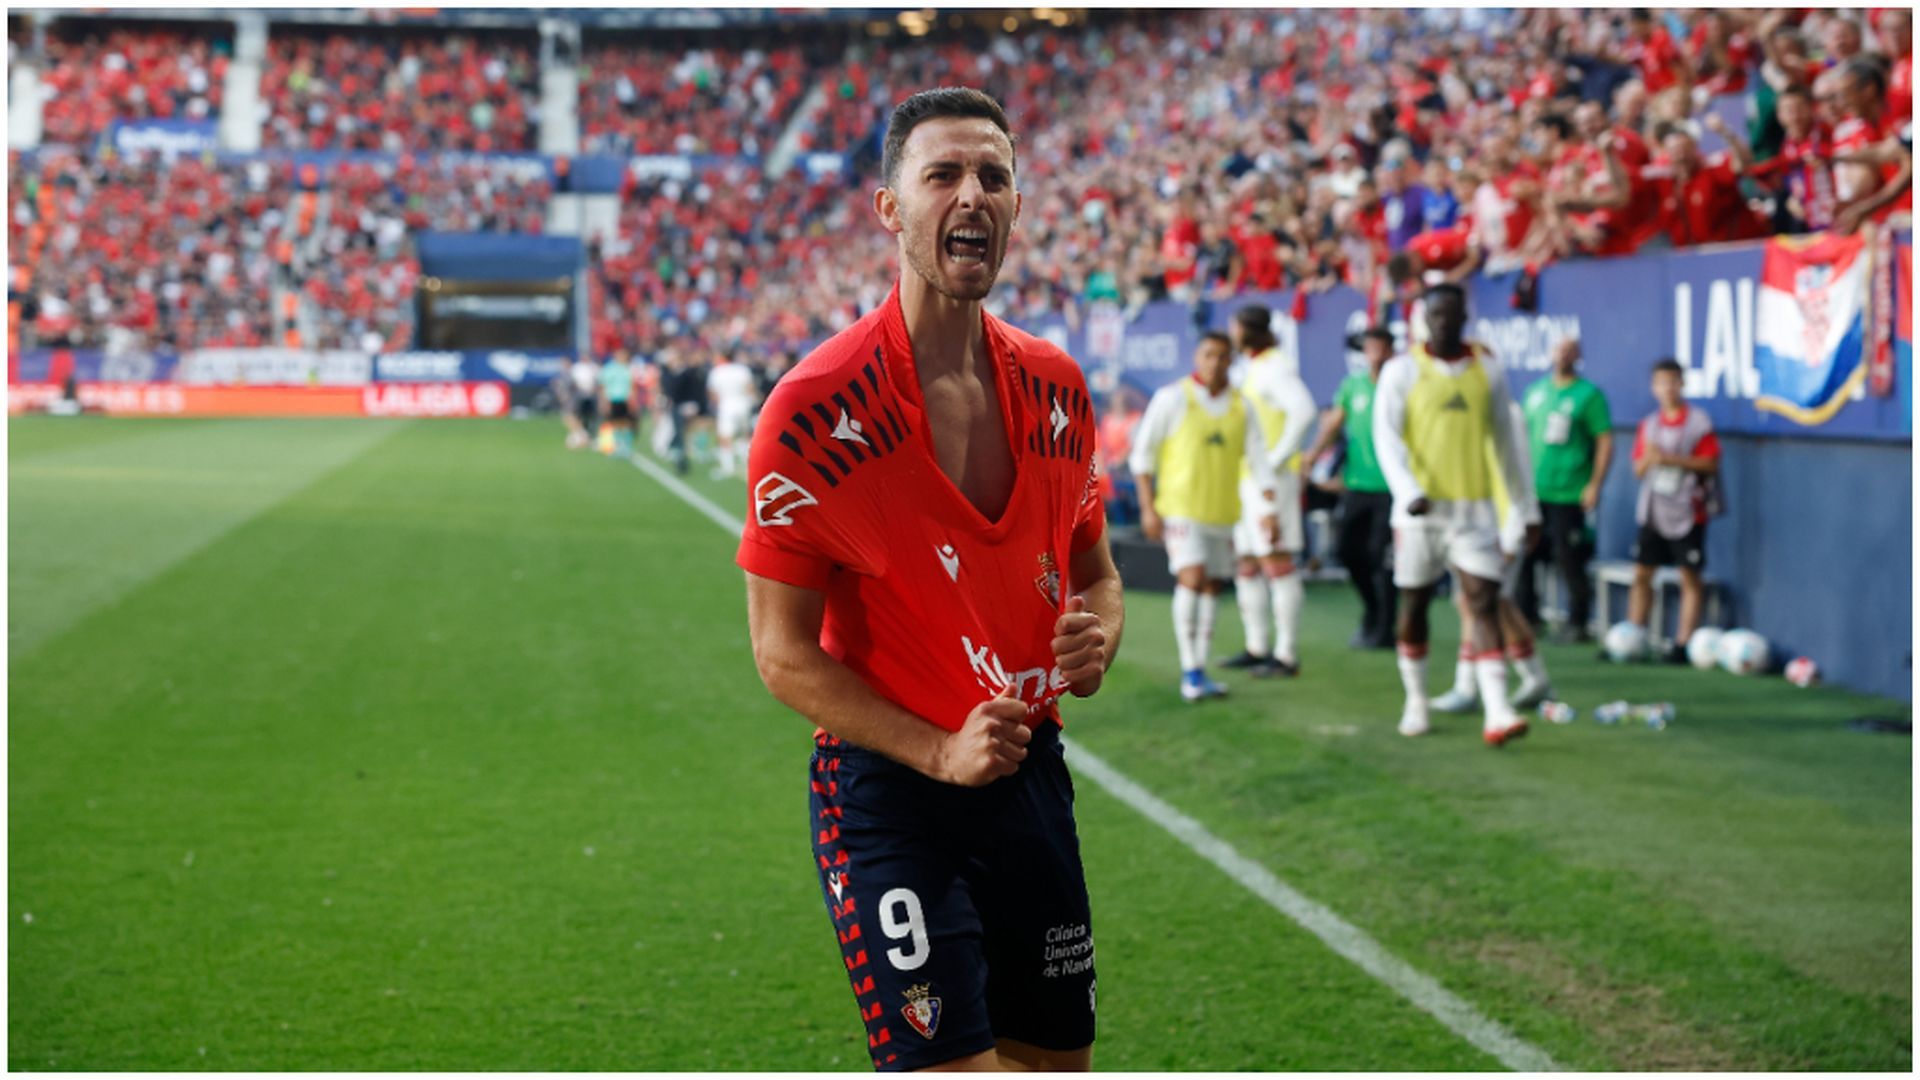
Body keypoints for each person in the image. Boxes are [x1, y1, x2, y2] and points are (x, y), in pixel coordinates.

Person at [738, 88, 1121, 1073]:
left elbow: (1098, 576)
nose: (973, 195)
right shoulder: (814, 411)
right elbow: (781, 655)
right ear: (890, 209)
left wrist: (1099, 630)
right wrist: (938, 751)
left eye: (994, 176)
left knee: (1053, 1065)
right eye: (943, 173)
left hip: (1027, 775)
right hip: (892, 791)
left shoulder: (1058, 386)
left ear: (1019, 205)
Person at [1373, 282, 1537, 746]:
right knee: (1415, 606)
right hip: (1419, 515)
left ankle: (1498, 711)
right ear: (1424, 318)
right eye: (1435, 315)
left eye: (1451, 315)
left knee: (1482, 600)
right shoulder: (1402, 371)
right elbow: (1387, 440)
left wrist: (1525, 508)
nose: (1443, 323)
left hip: (1474, 510)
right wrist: (1408, 491)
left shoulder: (1487, 370)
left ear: (1465, 316)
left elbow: (1507, 443)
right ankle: (1417, 699)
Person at [1130, 332, 1276, 700]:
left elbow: (1260, 461)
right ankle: (1190, 670)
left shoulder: (1242, 406)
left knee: (1212, 585)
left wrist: (1269, 510)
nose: (1215, 363)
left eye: (1223, 357)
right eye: (1209, 355)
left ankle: (1200, 668)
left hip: (1224, 513)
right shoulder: (1173, 398)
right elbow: (1142, 457)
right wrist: (1148, 508)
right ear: (1197, 357)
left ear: (1232, 361)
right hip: (1181, 510)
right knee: (1192, 577)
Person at [1432, 398, 1554, 714]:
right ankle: (1532, 678)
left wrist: (1516, 527)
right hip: (1473, 524)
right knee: (1491, 602)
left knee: (1482, 602)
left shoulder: (1506, 414)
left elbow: (1518, 471)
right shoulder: (1460, 410)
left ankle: (1469, 686)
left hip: (1499, 527)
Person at [1218, 305, 1315, 677]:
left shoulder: (1275, 366)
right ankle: (1258, 646)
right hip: (1247, 479)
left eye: (1235, 324)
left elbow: (1303, 411)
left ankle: (1287, 654)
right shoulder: (1254, 367)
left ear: (1246, 329)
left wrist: (1275, 460)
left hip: (1270, 482)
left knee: (1276, 560)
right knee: (1246, 562)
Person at [1303, 325, 1397, 649]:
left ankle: (1386, 626)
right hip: (1358, 484)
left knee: (1381, 556)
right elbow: (1333, 426)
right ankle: (1372, 611)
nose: (1376, 353)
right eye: (1371, 346)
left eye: (1381, 346)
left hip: (1392, 486)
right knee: (1347, 550)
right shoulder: (1352, 385)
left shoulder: (1400, 385)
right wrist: (1312, 455)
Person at [1516, 338, 1614, 643]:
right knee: (1524, 555)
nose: (1562, 355)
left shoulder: (1589, 395)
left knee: (1568, 557)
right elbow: (1520, 437)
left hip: (1569, 492)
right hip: (1533, 492)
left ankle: (1578, 621)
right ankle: (1527, 618)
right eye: (1558, 349)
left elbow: (1604, 441)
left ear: (1578, 356)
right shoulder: (1535, 392)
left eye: (1569, 350)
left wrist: (1594, 484)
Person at [1628, 357, 1722, 663]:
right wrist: (1650, 460)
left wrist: (1671, 458)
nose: (1667, 388)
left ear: (1682, 383)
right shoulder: (1649, 424)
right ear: (1654, 387)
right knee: (1642, 573)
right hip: (1654, 510)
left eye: (1673, 381)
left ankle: (1683, 643)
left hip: (1688, 510)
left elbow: (1711, 464)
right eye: (1661, 383)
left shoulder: (1699, 422)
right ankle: (1633, 637)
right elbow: (1638, 469)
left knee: (1689, 577)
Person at [706, 352, 760, 479]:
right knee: (745, 435)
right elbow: (750, 388)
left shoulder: (717, 371)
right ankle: (748, 464)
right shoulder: (742, 369)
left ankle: (728, 467)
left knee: (725, 437)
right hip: (743, 404)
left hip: (727, 405)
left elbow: (712, 392)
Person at [598, 348, 636, 456]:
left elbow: (632, 386)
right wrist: (604, 402)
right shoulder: (609, 369)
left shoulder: (628, 368)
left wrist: (633, 400)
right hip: (613, 399)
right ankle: (617, 445)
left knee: (626, 422)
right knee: (614, 423)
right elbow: (603, 386)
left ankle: (626, 446)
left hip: (625, 399)